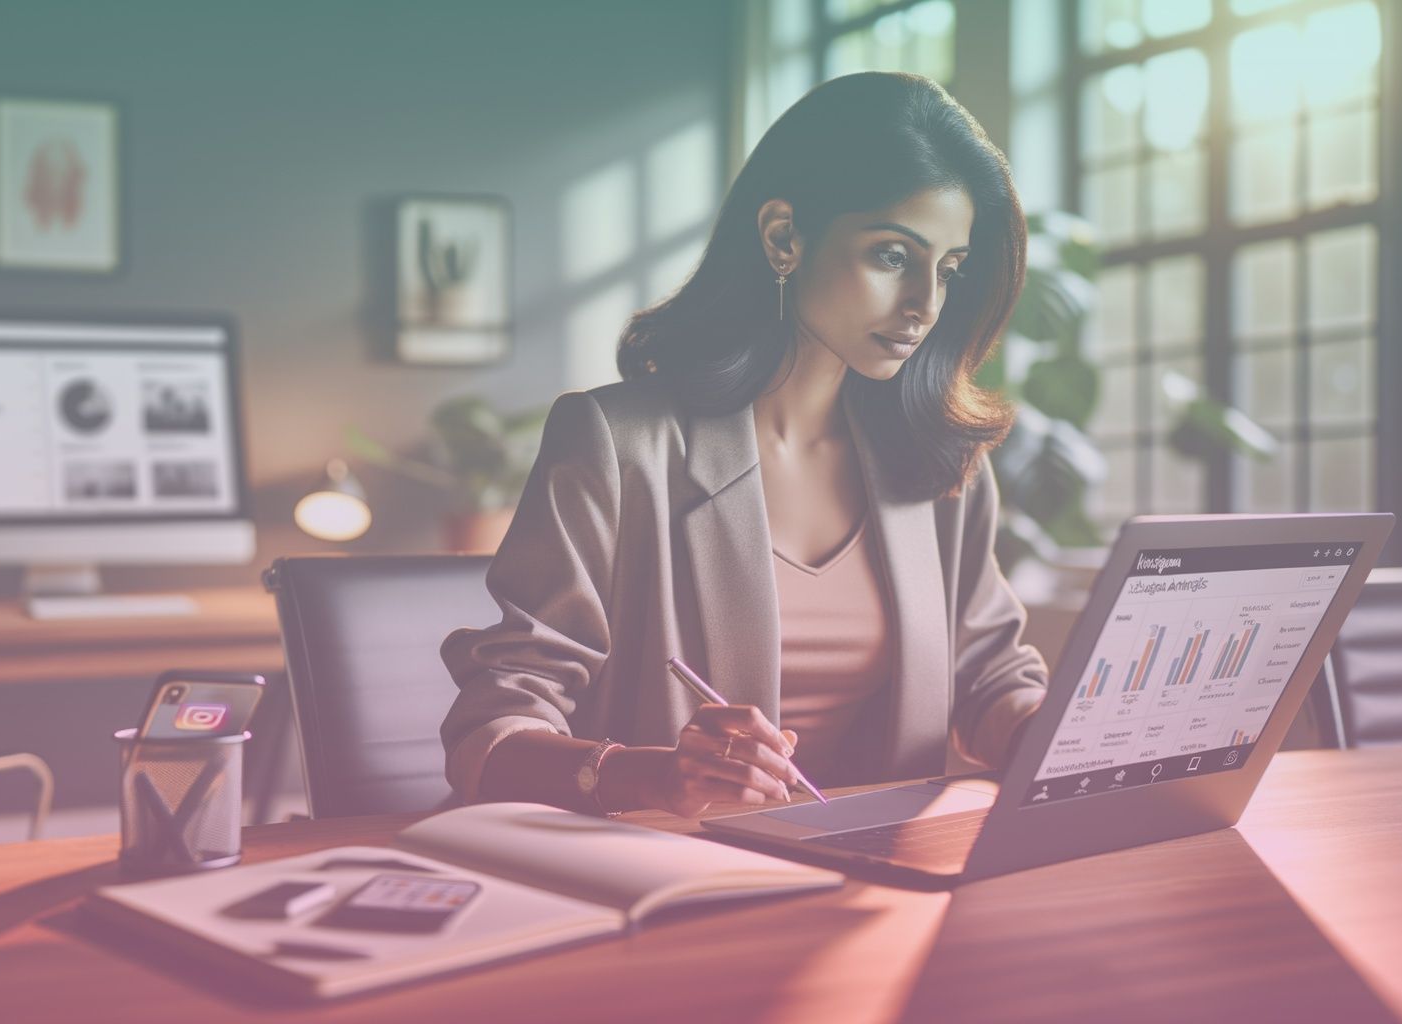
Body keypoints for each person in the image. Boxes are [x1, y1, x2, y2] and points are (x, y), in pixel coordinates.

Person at [441, 72, 1047, 818]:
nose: (924, 303)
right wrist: (655, 776)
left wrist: (1063, 734)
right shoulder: (616, 446)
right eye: (892, 256)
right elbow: (489, 735)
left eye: (948, 270)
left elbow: (988, 673)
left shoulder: (938, 461)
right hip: (669, 878)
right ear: (784, 236)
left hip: (879, 877)